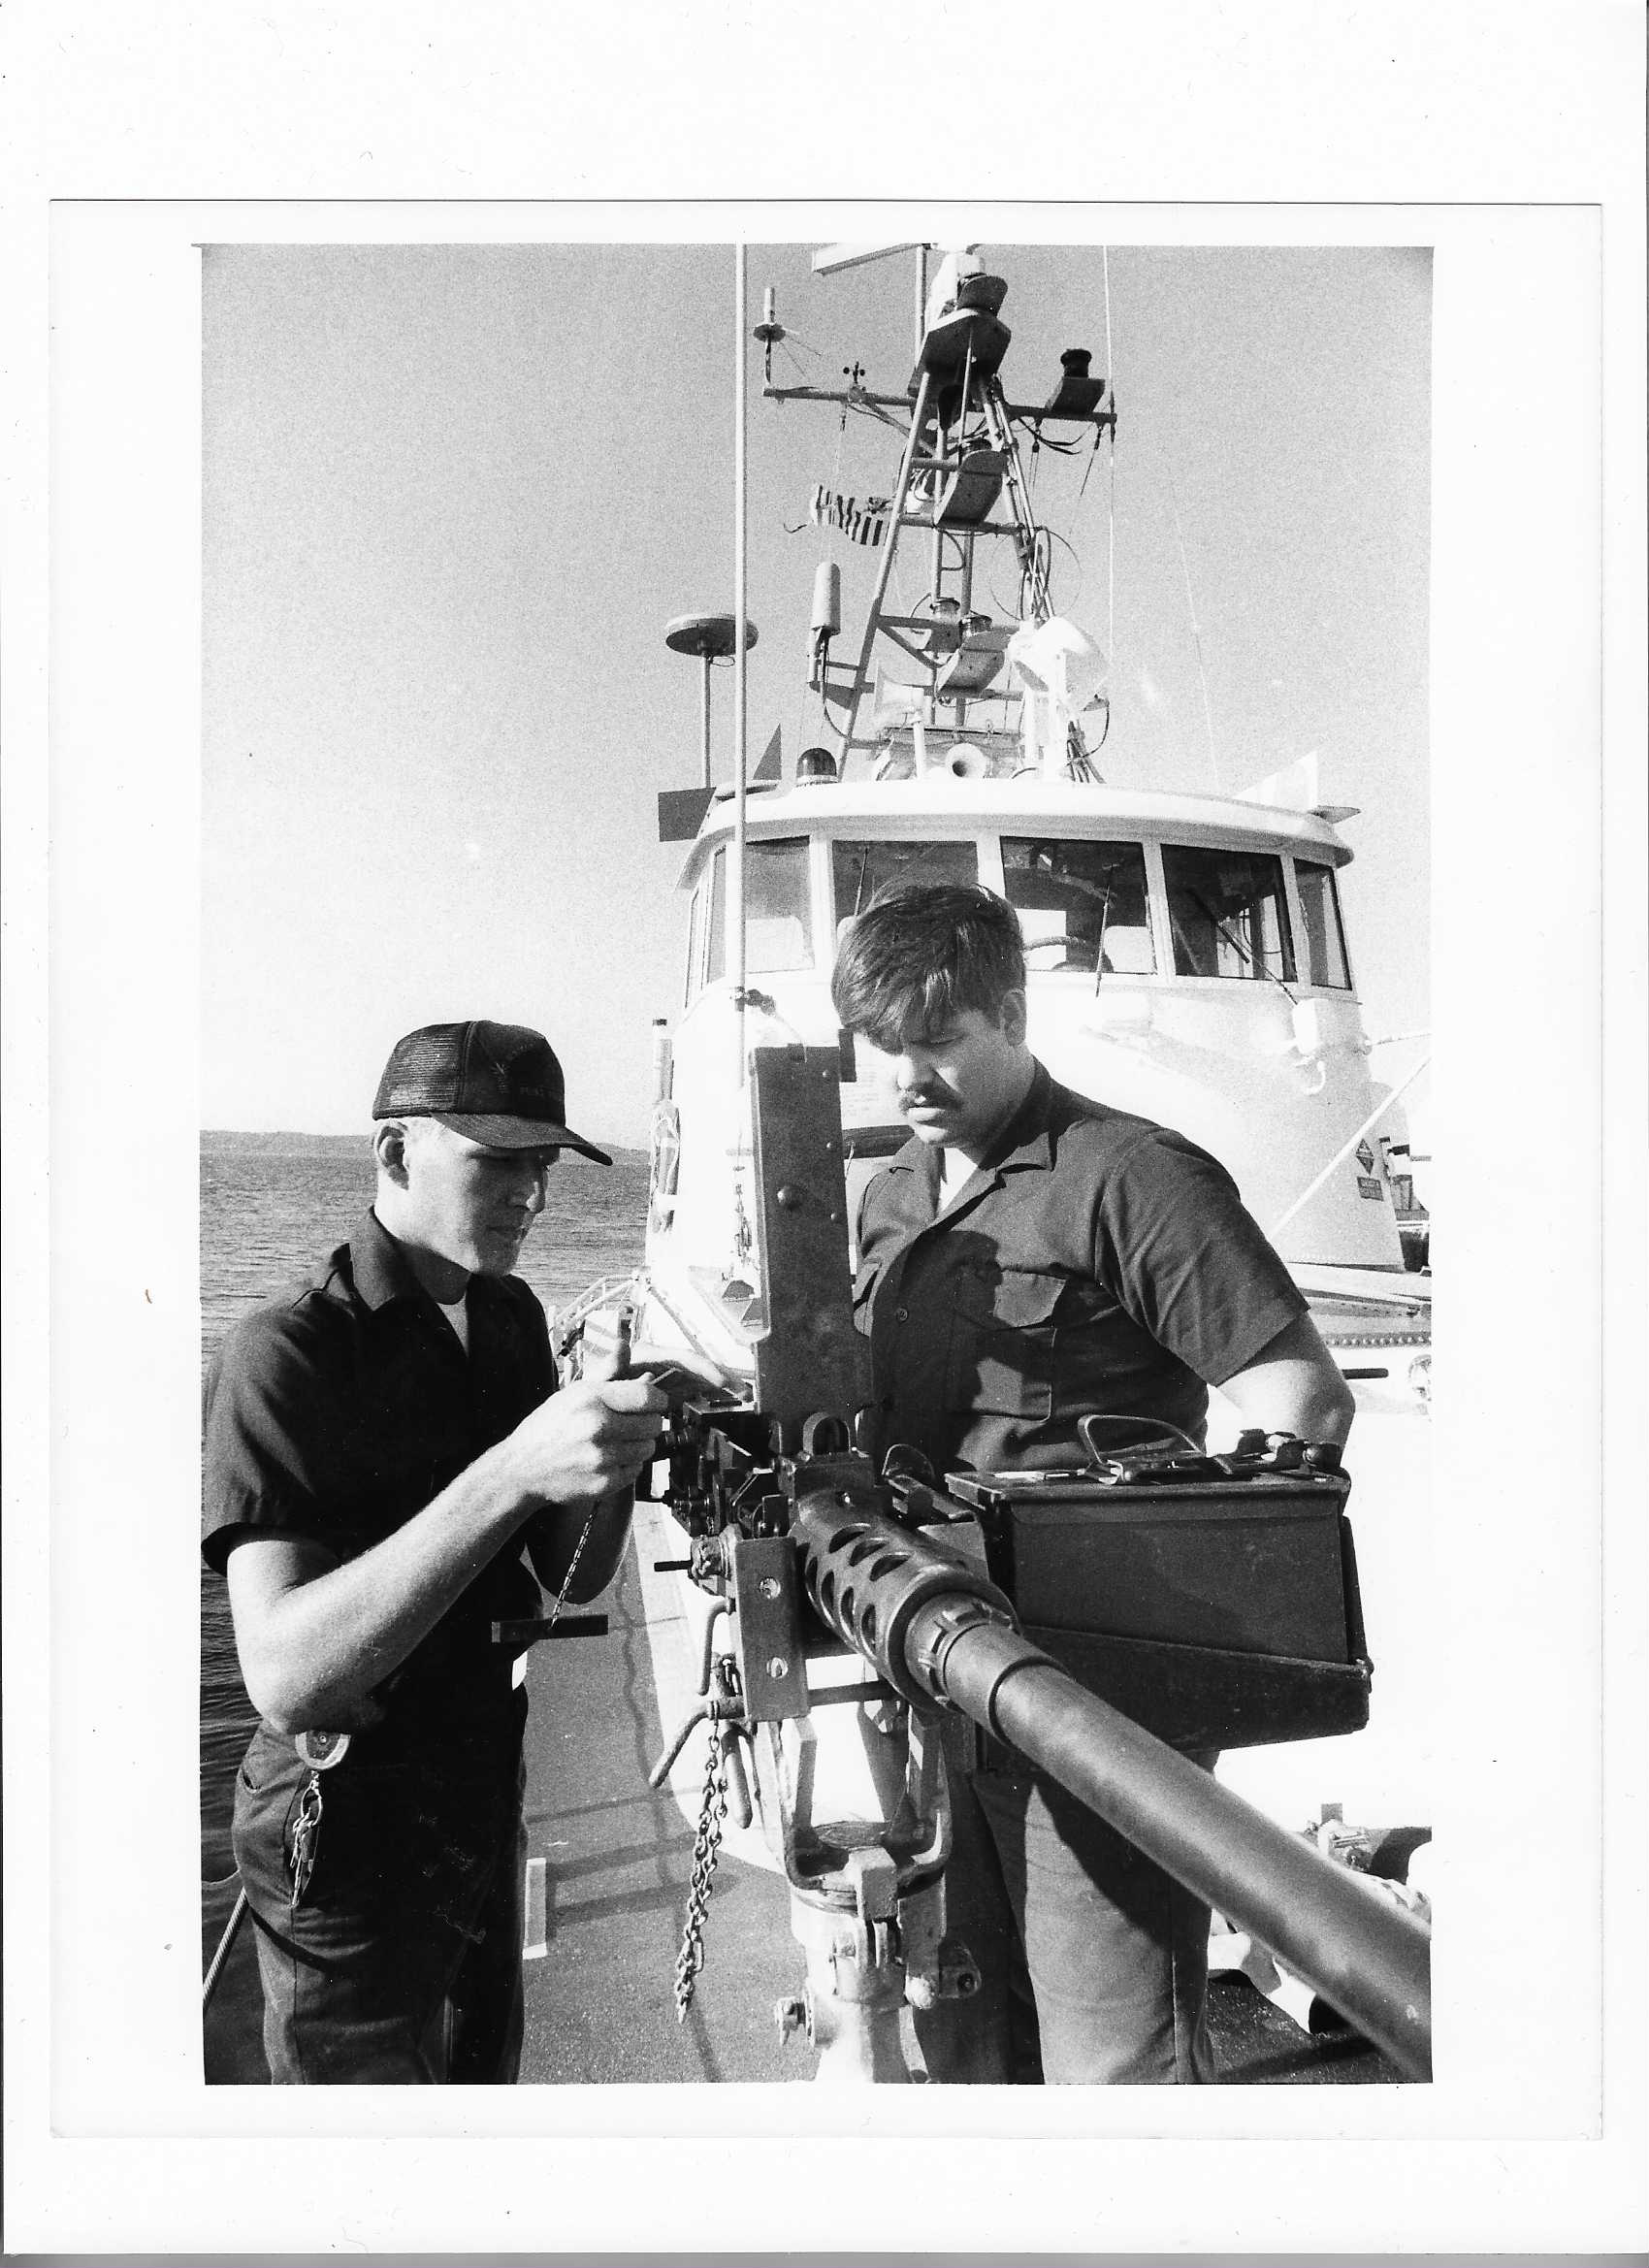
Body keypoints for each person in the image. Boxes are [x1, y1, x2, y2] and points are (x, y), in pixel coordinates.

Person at [832, 884, 1354, 2085]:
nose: (908, 1074)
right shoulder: (894, 1193)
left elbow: (1297, 1404)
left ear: (1011, 1013)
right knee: (955, 2013)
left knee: (1108, 2052)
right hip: (928, 1659)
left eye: (939, 1038)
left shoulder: (1129, 1175)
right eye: (885, 1047)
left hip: (1090, 1686)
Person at [202, 1019, 668, 2084]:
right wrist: (513, 1468)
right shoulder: (284, 1354)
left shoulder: (505, 1315)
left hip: (479, 1790)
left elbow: (566, 1578)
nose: (532, 1196)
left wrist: (615, 1447)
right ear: (395, 1152)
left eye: (542, 1164)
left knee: (478, 2095)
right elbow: (283, 1677)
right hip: (349, 1835)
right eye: (498, 1160)